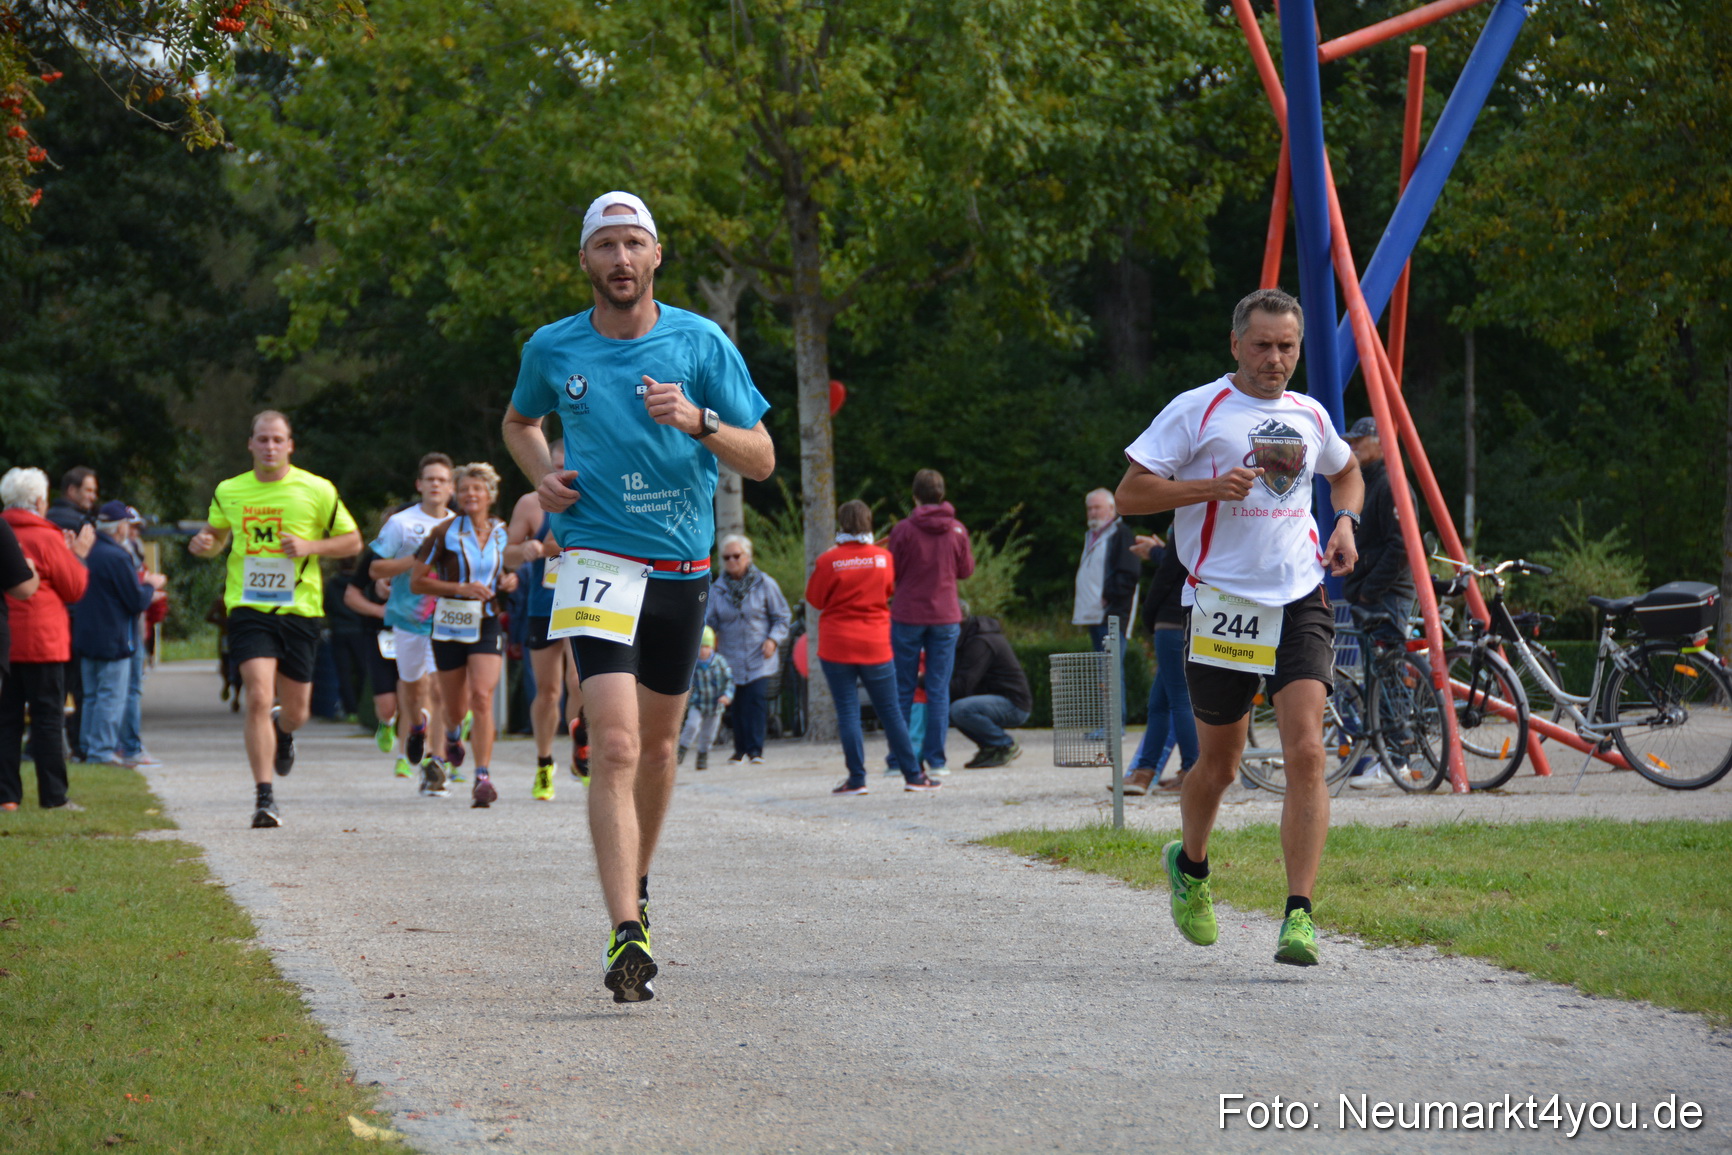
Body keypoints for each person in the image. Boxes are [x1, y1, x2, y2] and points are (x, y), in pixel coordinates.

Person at [502, 190, 774, 1003]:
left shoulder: (700, 340)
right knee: (615, 747)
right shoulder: (553, 347)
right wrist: (540, 472)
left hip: (682, 573)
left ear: (657, 256)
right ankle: (626, 929)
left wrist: (697, 421)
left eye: (634, 244)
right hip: (595, 563)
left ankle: (638, 886)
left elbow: (759, 457)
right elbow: (519, 422)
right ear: (583, 260)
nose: (620, 259)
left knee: (659, 750)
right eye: (605, 246)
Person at [1115, 287, 1362, 968]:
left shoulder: (1311, 414)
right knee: (1217, 766)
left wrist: (1345, 521)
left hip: (1299, 596)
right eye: (1262, 345)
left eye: (1287, 346)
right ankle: (1189, 866)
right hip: (1222, 603)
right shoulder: (1198, 409)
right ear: (1235, 344)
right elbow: (1130, 494)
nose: (1275, 358)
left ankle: (1300, 917)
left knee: (1308, 750)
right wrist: (1204, 488)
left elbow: (1348, 473)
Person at [189, 410, 362, 829]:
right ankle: (264, 797)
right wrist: (204, 545)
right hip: (248, 608)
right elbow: (216, 540)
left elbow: (352, 541)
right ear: (250, 444)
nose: (269, 446)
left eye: (277, 440)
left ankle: (284, 734)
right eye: (262, 439)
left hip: (299, 610)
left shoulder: (317, 489)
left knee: (296, 710)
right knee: (258, 697)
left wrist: (309, 545)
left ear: (290, 445)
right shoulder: (230, 490)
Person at [805, 500, 937, 795]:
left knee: (848, 711)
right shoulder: (883, 558)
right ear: (868, 522)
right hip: (875, 643)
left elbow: (814, 599)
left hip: (836, 644)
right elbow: (889, 591)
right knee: (891, 711)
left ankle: (857, 778)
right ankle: (914, 776)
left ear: (841, 523)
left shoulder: (829, 560)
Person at [409, 462, 518, 807]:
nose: (471, 494)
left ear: (490, 495)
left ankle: (482, 776)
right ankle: (454, 734)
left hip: (486, 622)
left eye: (478, 488)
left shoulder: (502, 531)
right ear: (457, 493)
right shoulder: (443, 533)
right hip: (450, 624)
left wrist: (509, 581)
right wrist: (460, 587)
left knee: (482, 697)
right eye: (466, 488)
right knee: (454, 708)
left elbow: (506, 570)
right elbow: (417, 580)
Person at [503, 450, 588, 800]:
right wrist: (527, 550)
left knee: (578, 680)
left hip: (584, 599)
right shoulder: (529, 503)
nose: (562, 472)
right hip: (544, 605)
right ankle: (544, 762)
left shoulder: (597, 496)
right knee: (548, 691)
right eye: (555, 466)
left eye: (568, 465)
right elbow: (506, 554)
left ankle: (581, 748)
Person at [1341, 416, 1418, 791]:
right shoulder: (1371, 483)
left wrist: (1369, 589)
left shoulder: (1388, 484)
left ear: (1380, 443)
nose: (1352, 445)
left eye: (1359, 440)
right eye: (1350, 440)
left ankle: (1398, 761)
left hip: (1386, 596)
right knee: (1379, 679)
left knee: (1387, 678)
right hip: (1376, 594)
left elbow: (1401, 545)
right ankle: (1391, 756)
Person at [1, 468, 86, 812]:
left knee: (5, 721)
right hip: (43, 642)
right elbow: (75, 588)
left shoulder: (3, 531)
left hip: (6, 643)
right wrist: (76, 555)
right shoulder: (47, 536)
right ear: (40, 500)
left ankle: (6, 796)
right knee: (48, 719)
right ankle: (53, 796)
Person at [367, 455, 455, 780]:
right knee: (414, 688)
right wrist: (413, 560)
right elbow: (374, 568)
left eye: (442, 480)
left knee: (440, 688)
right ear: (419, 485)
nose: (435, 485)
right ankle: (417, 724)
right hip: (408, 618)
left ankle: (436, 763)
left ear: (451, 487)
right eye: (429, 479)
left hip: (447, 618)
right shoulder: (401, 523)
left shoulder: (461, 525)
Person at [886, 468, 974, 776]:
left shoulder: (903, 530)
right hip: (945, 615)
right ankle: (937, 761)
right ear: (942, 494)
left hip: (908, 614)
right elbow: (965, 571)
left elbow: (890, 571)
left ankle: (899, 761)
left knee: (902, 688)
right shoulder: (958, 530)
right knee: (938, 689)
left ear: (915, 496)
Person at [73, 502, 165, 768]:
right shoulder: (117, 556)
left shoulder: (89, 551)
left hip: (86, 633)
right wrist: (150, 586)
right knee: (111, 695)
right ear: (119, 527)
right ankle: (101, 751)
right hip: (113, 635)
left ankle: (88, 748)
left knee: (91, 695)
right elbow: (135, 600)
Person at [1121, 531, 1198, 795]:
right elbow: (1181, 560)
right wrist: (1158, 550)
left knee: (1179, 698)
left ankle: (1191, 770)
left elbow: (1169, 571)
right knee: (1160, 702)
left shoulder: (1187, 515)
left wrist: (1148, 613)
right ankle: (1144, 771)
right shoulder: (1206, 517)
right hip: (1190, 618)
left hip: (1172, 620)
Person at [706, 534, 790, 765]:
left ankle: (755, 749)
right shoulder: (717, 589)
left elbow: (782, 617)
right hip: (730, 657)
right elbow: (709, 623)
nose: (732, 561)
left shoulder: (765, 583)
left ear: (747, 556)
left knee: (754, 700)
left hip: (759, 655)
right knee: (735, 704)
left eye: (736, 556)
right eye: (726, 557)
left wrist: (773, 640)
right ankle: (739, 749)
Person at [1071, 487, 1142, 719]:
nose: (1092, 512)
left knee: (1110, 672)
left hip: (1112, 615)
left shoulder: (1120, 534)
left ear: (1111, 509)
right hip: (1096, 615)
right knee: (1103, 673)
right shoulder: (1093, 536)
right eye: (1089, 508)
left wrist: (1109, 599)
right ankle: (1108, 725)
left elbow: (1129, 574)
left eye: (1097, 507)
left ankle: (1114, 727)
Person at [45, 466, 97, 760]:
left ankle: (46, 745)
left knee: (54, 685)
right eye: (88, 490)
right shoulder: (76, 523)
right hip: (75, 614)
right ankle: (78, 744)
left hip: (58, 614)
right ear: (72, 490)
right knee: (76, 685)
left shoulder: (50, 519)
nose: (93, 496)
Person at [115, 506, 166, 769]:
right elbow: (133, 592)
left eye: (137, 527)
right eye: (131, 526)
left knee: (130, 689)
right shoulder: (122, 552)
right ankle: (129, 746)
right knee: (129, 690)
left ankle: (125, 743)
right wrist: (149, 587)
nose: (135, 532)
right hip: (128, 630)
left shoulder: (134, 549)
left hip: (138, 627)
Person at [948, 612, 1032, 769]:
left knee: (960, 710)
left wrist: (922, 682)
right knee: (951, 710)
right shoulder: (969, 637)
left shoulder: (980, 642)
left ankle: (1005, 744)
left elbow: (963, 685)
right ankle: (990, 748)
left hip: (1012, 705)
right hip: (998, 701)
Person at [341, 546, 402, 757]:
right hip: (380, 634)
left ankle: (408, 754)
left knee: (415, 695)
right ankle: (387, 723)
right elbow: (351, 596)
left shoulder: (429, 550)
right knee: (387, 706)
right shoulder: (375, 557)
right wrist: (380, 611)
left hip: (418, 631)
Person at [677, 627, 731, 771]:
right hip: (698, 703)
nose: (703, 651)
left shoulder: (719, 662)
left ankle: (703, 755)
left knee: (709, 732)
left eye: (706, 647)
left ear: (712, 647)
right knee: (692, 725)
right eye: (700, 647)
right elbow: (688, 683)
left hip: (715, 705)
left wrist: (727, 695)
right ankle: (681, 750)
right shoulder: (693, 664)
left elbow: (729, 680)